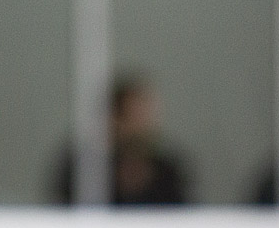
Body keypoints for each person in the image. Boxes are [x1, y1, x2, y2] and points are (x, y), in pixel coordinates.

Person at [55, 74, 188, 204]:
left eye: (147, 116)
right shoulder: (85, 168)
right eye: (135, 116)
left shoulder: (167, 172)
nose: (144, 126)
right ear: (115, 118)